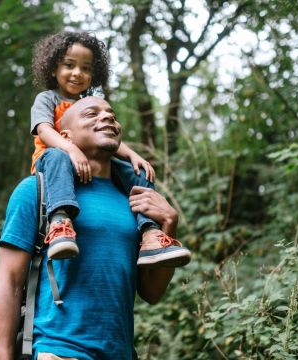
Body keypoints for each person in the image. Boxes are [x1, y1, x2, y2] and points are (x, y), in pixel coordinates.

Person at [0, 96, 183, 359]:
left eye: (112, 115)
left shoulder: (137, 200)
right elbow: (8, 282)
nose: (107, 117)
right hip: (58, 351)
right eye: (91, 113)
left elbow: (152, 293)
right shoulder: (36, 191)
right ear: (65, 136)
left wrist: (169, 226)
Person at [29, 31, 190, 267]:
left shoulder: (91, 102)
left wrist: (133, 155)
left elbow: (106, 139)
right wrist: (70, 149)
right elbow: (44, 131)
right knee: (56, 155)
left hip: (91, 164)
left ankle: (150, 234)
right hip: (54, 164)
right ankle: (60, 222)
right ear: (53, 69)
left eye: (85, 68)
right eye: (69, 65)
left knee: (138, 172)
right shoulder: (47, 99)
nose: (77, 73)